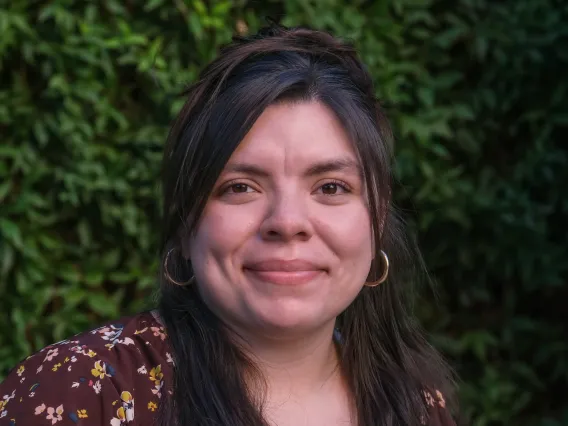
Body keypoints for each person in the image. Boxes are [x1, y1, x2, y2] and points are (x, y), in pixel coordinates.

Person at [0, 23, 456, 426]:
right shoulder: (83, 393)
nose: (288, 222)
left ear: (376, 218)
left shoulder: (414, 405)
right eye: (240, 187)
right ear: (185, 221)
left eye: (331, 187)